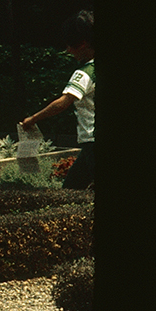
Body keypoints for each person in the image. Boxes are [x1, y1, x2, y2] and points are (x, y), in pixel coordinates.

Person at [20, 10, 94, 189]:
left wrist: (33, 119)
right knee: (72, 189)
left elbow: (62, 103)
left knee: (71, 190)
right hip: (90, 147)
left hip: (93, 143)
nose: (68, 50)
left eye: (70, 45)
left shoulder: (84, 74)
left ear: (83, 43)